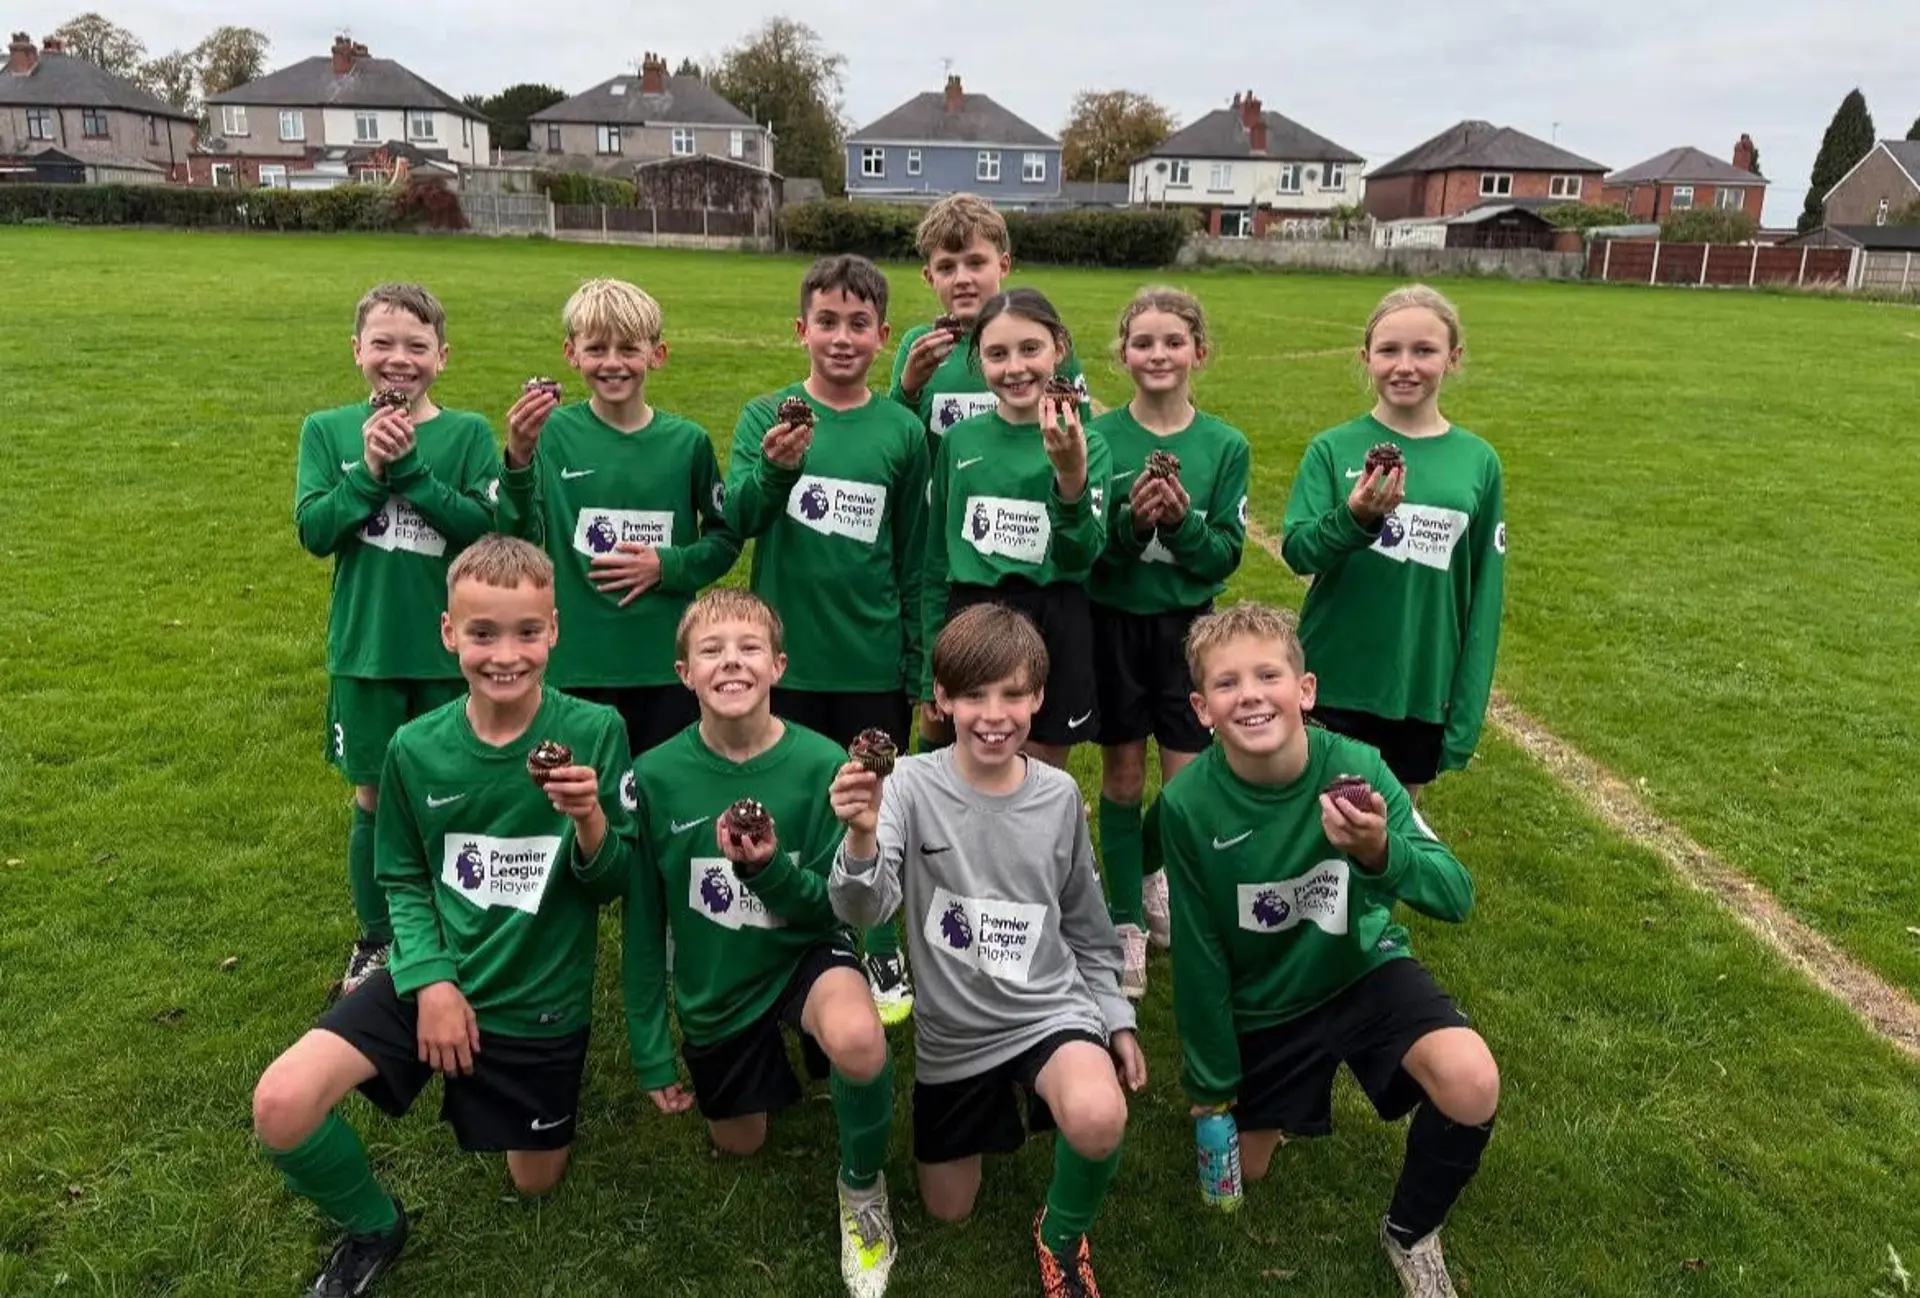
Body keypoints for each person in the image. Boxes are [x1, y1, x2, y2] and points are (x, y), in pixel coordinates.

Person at [250, 535, 632, 1298]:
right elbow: (401, 872)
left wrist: (590, 822)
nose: (506, 654)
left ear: (554, 630)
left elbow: (611, 884)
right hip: (437, 972)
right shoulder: (414, 748)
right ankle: (375, 1224)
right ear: (448, 633)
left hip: (538, 1003)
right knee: (281, 1104)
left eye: (527, 632)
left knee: (534, 1185)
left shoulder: (596, 733)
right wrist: (429, 981)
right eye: (482, 633)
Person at [1160, 601, 1499, 1298]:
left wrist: (1379, 852)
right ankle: (1275, 1109)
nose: (1250, 694)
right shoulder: (1188, 805)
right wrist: (1211, 1083)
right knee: (1241, 1176)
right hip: (1266, 1003)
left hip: (1360, 970)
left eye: (1268, 675)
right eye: (1227, 684)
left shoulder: (1359, 768)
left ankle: (1410, 1233)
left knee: (1471, 1081)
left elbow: (1456, 892)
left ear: (1305, 690)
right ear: (1201, 708)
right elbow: (1198, 956)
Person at [829, 602, 1145, 1298]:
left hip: (1047, 1012)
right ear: (942, 699)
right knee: (950, 1211)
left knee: (1097, 1115)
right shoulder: (908, 784)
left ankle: (1060, 1235)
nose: (993, 713)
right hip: (955, 1035)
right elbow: (863, 907)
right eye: (973, 695)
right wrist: (859, 836)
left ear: (1039, 696)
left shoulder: (1060, 796)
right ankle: (985, 1111)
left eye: (1012, 693)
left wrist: (1115, 1019)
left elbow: (1088, 929)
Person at [622, 589, 899, 1297]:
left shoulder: (821, 763)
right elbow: (645, 922)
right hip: (719, 979)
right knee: (739, 1143)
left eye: (749, 648)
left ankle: (862, 1188)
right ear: (684, 672)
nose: (731, 662)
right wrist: (653, 1048)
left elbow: (838, 909)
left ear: (778, 665)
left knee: (860, 1038)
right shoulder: (654, 777)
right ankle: (768, 1063)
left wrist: (766, 870)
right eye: (711, 651)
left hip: (804, 952)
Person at [724, 255, 929, 1027]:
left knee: (868, 803)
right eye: (827, 322)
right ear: (800, 328)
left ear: (882, 334)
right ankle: (798, 928)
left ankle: (875, 936)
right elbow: (740, 516)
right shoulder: (765, 415)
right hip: (786, 658)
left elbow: (914, 555)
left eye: (859, 324)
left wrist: (915, 659)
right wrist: (776, 473)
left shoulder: (902, 432)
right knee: (795, 796)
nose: (841, 339)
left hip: (870, 655)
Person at [293, 282, 502, 1000]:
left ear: (442, 357)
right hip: (370, 651)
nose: (398, 359)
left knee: (453, 793)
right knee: (376, 799)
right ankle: (378, 940)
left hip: (455, 653)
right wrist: (370, 472)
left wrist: (410, 470)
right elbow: (316, 531)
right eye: (382, 343)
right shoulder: (327, 430)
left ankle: (451, 928)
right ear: (357, 352)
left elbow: (483, 529)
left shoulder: (469, 434)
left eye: (416, 346)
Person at [497, 277, 741, 757]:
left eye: (628, 348)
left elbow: (724, 538)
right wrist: (519, 458)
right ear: (572, 354)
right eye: (596, 348)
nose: (612, 363)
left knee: (658, 795)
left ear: (657, 354)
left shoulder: (687, 442)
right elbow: (515, 539)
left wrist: (667, 565)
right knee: (578, 796)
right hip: (577, 661)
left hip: (663, 662)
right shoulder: (551, 433)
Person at [1280, 284, 1506, 800]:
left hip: (1420, 685)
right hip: (1335, 674)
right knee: (1321, 824)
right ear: (1366, 358)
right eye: (1389, 350)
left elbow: (1484, 595)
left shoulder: (1477, 461)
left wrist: (1465, 708)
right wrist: (1355, 518)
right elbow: (1298, 550)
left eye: (1424, 351)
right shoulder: (1332, 448)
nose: (1405, 365)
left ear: (1453, 358)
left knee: (1391, 830)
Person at [1086, 286, 1250, 998]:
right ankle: (1122, 918)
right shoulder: (1099, 441)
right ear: (1122, 354)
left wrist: (1181, 525)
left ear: (1199, 353)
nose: (1158, 353)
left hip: (1190, 634)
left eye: (1173, 341)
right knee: (1123, 777)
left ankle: (1150, 871)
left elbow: (1222, 557)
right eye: (1143, 342)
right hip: (1114, 626)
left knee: (1190, 788)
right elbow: (1086, 553)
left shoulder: (1223, 446)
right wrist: (1130, 527)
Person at [918, 288, 1111, 773]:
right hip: (974, 610)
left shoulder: (1088, 445)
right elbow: (936, 560)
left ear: (1059, 349)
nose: (1016, 367)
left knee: (1041, 772)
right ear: (977, 361)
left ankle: (1036, 850)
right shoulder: (961, 441)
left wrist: (1070, 479)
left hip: (1056, 614)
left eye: (1031, 348)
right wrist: (928, 667)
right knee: (967, 765)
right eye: (997, 354)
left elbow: (1080, 556)